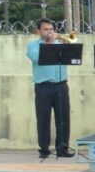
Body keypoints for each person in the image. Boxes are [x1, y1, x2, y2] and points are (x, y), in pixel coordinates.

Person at [26, 18, 73, 160]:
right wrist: (51, 44)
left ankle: (62, 148)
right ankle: (44, 149)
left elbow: (71, 57)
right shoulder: (33, 46)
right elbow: (37, 58)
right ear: (38, 31)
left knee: (63, 118)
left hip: (61, 85)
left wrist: (65, 44)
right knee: (43, 119)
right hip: (43, 87)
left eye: (51, 29)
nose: (49, 32)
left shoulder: (61, 44)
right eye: (46, 29)